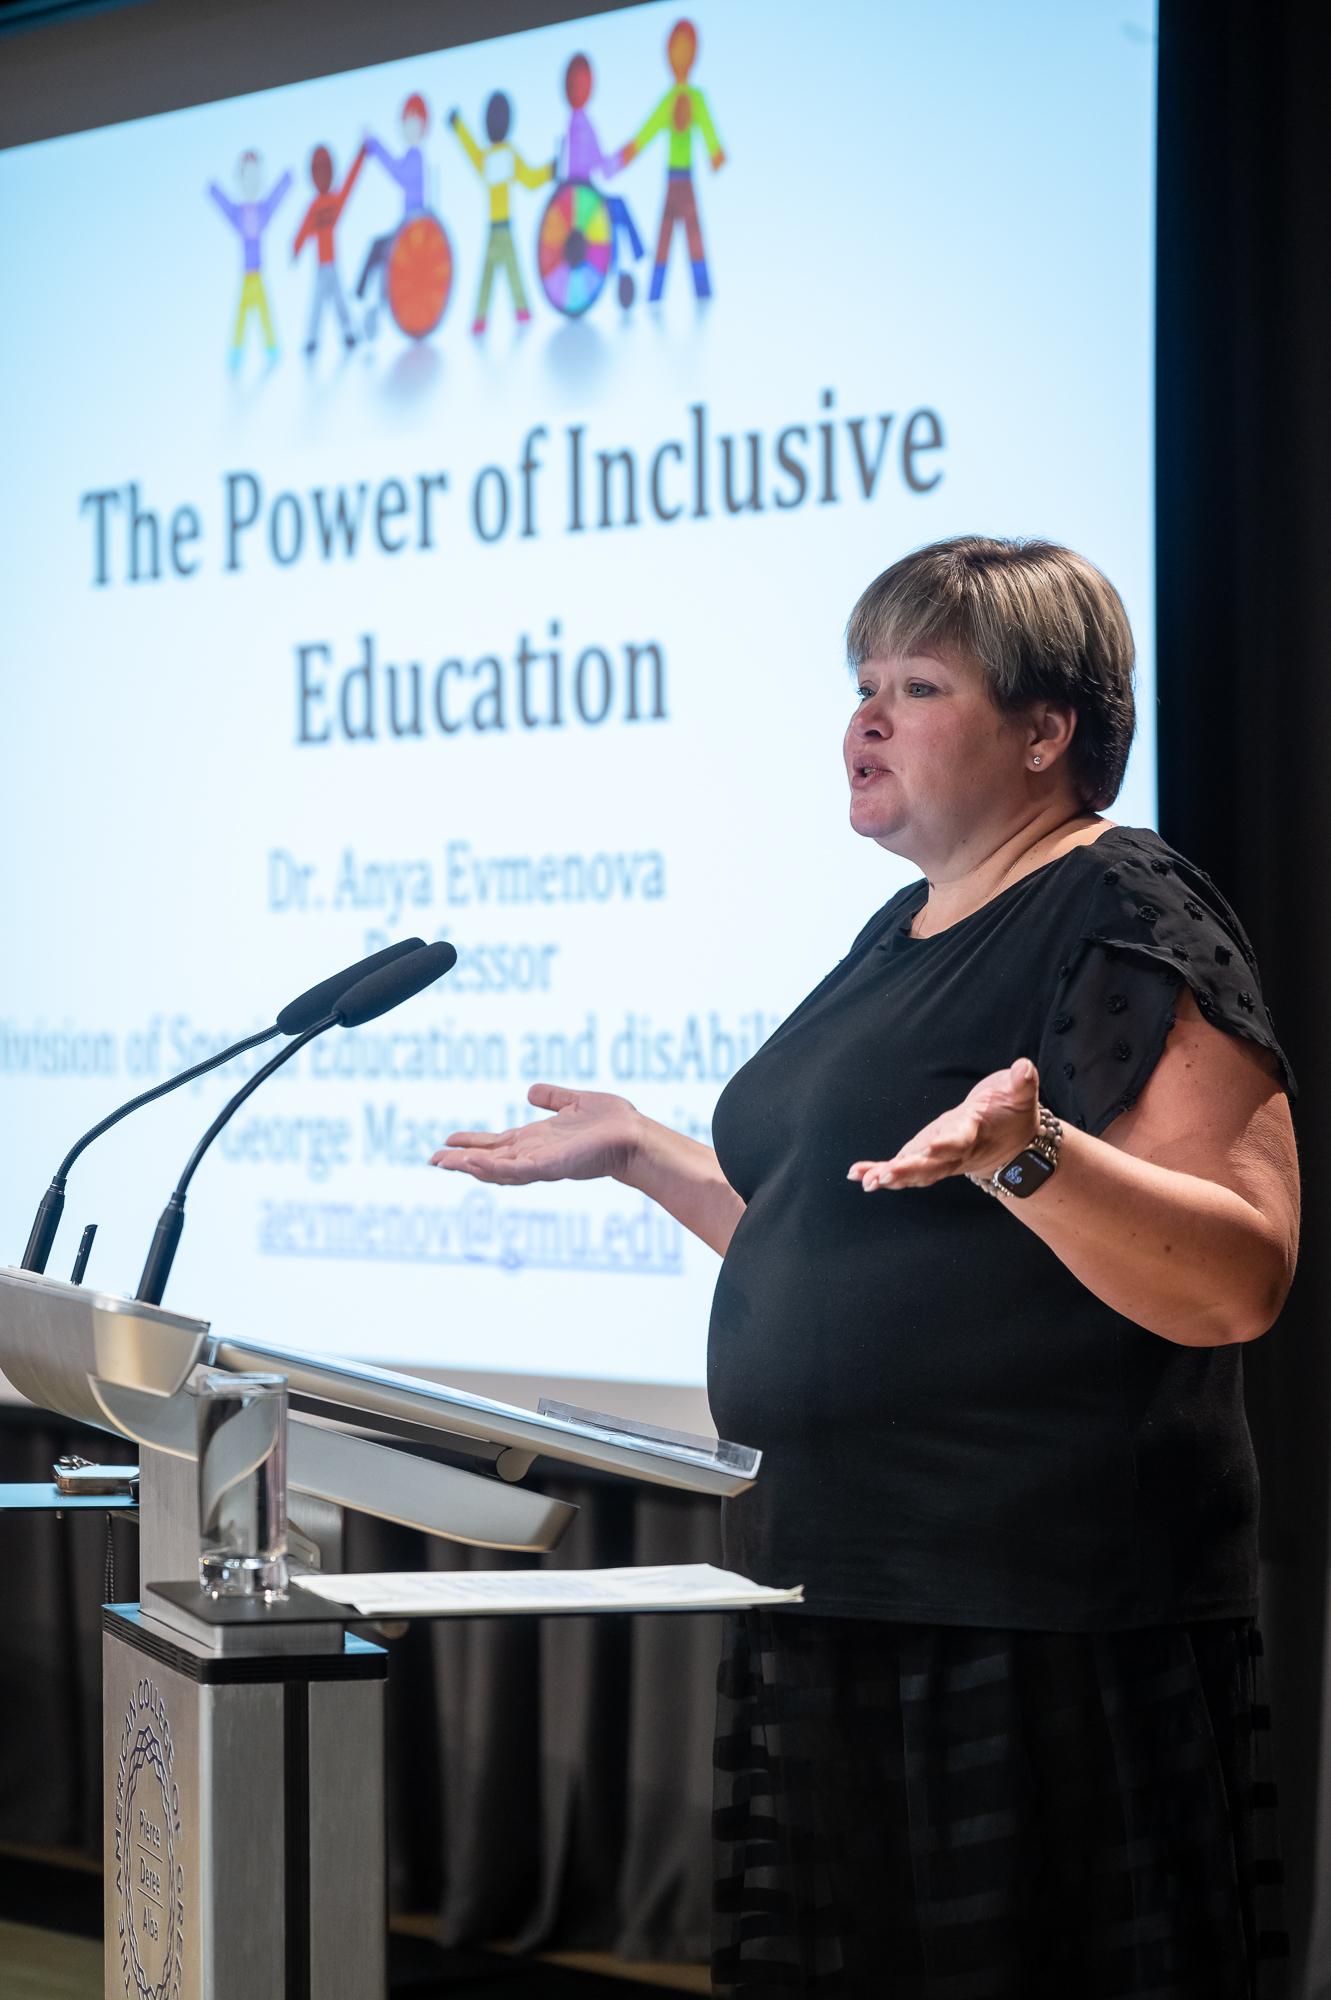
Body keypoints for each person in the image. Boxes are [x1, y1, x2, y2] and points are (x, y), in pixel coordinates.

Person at [432, 536, 1300, 1997]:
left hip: (1029, 1616)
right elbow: (848, 1235)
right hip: (834, 1588)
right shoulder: (898, 930)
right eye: (860, 683)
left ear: (1046, 730)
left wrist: (1033, 1154)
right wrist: (645, 1153)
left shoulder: (1123, 907)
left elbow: (1237, 1276)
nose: (865, 720)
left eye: (917, 686)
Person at [613, 17, 725, 301]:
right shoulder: (668, 100)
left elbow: (707, 126)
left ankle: (702, 293)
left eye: (686, 49)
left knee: (694, 236)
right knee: (664, 237)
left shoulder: (697, 98)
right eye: (676, 48)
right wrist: (625, 156)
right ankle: (654, 294)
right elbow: (648, 130)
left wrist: (715, 153)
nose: (680, 55)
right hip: (672, 180)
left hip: (686, 180)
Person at [449, 93, 554, 333]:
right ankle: (517, 312)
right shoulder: (506, 155)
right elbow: (531, 180)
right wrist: (551, 170)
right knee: (507, 271)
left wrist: (458, 125)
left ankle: (484, 319)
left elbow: (471, 149)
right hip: (501, 227)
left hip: (497, 228)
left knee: (491, 274)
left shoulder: (489, 158)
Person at [559, 52, 644, 276]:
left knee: (615, 210)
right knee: (615, 210)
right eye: (576, 84)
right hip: (581, 197)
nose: (580, 89)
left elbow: (601, 165)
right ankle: (616, 264)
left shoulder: (582, 121)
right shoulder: (579, 122)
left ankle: (617, 264)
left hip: (584, 193)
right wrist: (623, 158)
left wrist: (622, 159)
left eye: (584, 83)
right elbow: (599, 165)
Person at [355, 94, 430, 338]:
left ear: (422, 126)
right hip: (406, 228)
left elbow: (398, 174)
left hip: (414, 232)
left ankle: (375, 300)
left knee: (383, 250)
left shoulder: (416, 159)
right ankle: (364, 297)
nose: (407, 127)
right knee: (378, 247)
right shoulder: (411, 157)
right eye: (405, 122)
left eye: (413, 122)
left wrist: (375, 145)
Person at [208, 150, 292, 360]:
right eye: (248, 175)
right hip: (248, 275)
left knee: (261, 311)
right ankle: (243, 350)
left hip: (257, 274)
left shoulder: (262, 211)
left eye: (256, 175)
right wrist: (214, 190)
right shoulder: (240, 214)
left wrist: (286, 180)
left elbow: (275, 198)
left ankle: (268, 348)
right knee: (245, 313)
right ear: (240, 177)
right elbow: (225, 205)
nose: (252, 181)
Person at [292, 143, 367, 355]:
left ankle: (345, 335)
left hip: (332, 264)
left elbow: (350, 182)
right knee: (318, 302)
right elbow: (304, 229)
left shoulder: (333, 202)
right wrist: (296, 248)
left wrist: (361, 155)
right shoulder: (315, 207)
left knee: (337, 301)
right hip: (322, 266)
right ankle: (314, 339)